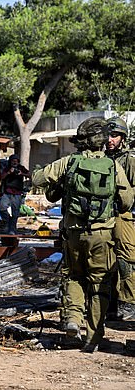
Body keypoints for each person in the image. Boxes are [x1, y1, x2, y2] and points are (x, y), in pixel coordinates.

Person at [33, 117, 133, 352]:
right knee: (100, 283)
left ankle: (72, 321)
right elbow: (127, 201)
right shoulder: (113, 166)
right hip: (102, 235)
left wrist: (64, 181)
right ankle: (93, 337)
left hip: (74, 233)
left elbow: (37, 179)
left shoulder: (69, 162)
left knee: (73, 277)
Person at [106, 117, 135, 320]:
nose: (110, 139)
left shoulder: (129, 160)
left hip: (124, 216)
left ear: (122, 138)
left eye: (114, 135)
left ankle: (128, 305)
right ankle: (110, 304)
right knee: (105, 262)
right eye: (107, 135)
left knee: (126, 260)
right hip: (102, 218)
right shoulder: (99, 158)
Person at [0, 154, 31, 234]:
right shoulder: (7, 168)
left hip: (17, 193)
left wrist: (22, 174)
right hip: (7, 192)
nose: (14, 162)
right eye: (13, 161)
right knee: (2, 208)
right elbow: (1, 177)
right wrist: (9, 172)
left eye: (16, 161)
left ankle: (12, 229)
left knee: (15, 212)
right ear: (10, 162)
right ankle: (7, 222)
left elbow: (30, 175)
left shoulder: (21, 168)